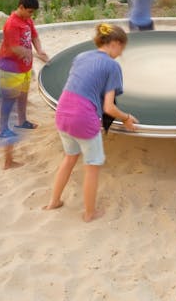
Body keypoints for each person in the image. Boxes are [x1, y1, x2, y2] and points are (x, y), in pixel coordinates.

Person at [44, 23, 138, 222]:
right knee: (92, 165)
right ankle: (89, 213)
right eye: (121, 48)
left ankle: (54, 201)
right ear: (114, 44)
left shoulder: (81, 57)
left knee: (69, 158)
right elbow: (109, 108)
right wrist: (127, 118)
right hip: (83, 116)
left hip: (62, 112)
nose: (120, 54)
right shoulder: (112, 66)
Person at [0, 0, 50, 144]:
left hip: (24, 67)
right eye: (30, 11)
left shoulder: (27, 20)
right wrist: (35, 55)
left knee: (23, 94)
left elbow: (34, 37)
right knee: (9, 98)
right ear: (21, 7)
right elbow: (15, 48)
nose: (31, 15)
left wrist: (39, 50)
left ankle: (22, 121)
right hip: (9, 67)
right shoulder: (12, 24)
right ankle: (2, 129)